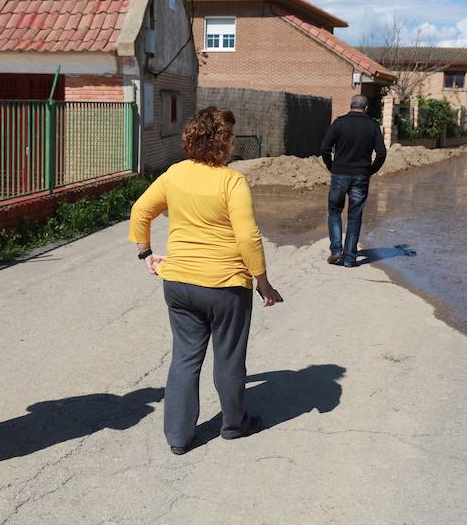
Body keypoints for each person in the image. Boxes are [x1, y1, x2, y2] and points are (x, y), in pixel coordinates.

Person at [128, 106, 283, 455]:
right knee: (228, 357)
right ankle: (233, 424)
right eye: (229, 135)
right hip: (225, 286)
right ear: (224, 142)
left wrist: (146, 254)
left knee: (185, 357)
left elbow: (140, 211)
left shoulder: (174, 174)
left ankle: (178, 438)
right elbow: (247, 237)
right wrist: (263, 282)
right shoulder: (232, 181)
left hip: (179, 284)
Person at [320, 95, 387, 268]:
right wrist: (370, 170)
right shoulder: (372, 126)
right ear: (366, 108)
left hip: (339, 174)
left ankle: (336, 250)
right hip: (361, 176)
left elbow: (324, 148)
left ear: (351, 106)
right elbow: (381, 153)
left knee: (334, 211)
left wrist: (331, 166)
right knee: (354, 216)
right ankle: (350, 258)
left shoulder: (339, 123)